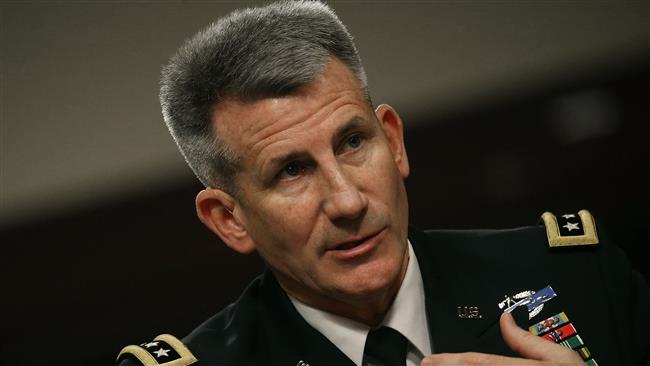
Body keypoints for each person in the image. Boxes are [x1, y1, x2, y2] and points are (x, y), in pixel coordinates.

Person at [116, 1, 650, 365]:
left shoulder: (578, 275)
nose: (348, 201)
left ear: (393, 141)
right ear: (229, 219)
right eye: (291, 171)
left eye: (352, 142)